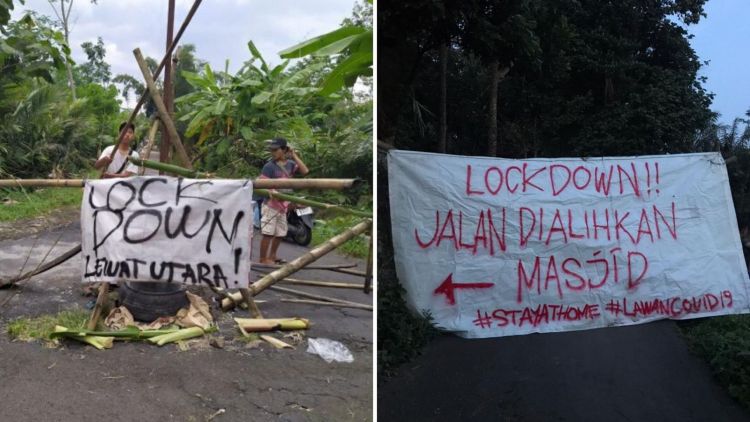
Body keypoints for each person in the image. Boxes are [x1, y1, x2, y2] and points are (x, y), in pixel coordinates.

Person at [258, 137, 309, 264]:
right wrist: (272, 191)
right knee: (268, 233)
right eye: (272, 150)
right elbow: (262, 184)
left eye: (276, 150)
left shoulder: (291, 165)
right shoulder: (269, 166)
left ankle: (273, 256)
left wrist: (294, 156)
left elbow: (305, 171)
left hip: (283, 206)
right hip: (270, 205)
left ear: (284, 150)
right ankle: (263, 258)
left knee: (280, 233)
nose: (273, 153)